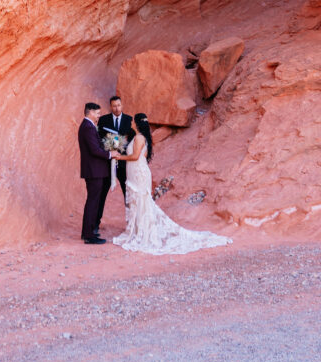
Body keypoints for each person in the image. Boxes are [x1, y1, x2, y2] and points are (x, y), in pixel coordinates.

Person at [112, 113, 232, 254]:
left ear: (136, 123)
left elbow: (135, 156)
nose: (131, 123)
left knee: (141, 200)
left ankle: (143, 233)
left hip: (138, 172)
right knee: (138, 201)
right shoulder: (140, 137)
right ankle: (139, 230)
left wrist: (120, 157)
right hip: (136, 171)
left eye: (133, 121)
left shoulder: (139, 138)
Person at [77, 102, 119, 244]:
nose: (99, 116)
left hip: (93, 170)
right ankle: (89, 236)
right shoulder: (88, 127)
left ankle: (86, 233)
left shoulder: (88, 126)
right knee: (93, 202)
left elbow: (96, 146)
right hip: (94, 171)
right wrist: (110, 154)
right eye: (97, 113)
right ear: (90, 112)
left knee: (92, 201)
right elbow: (94, 150)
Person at [96, 95, 134, 232]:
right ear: (110, 106)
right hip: (107, 164)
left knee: (128, 194)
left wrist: (122, 148)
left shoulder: (128, 119)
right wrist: (109, 147)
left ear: (122, 105)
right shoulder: (104, 120)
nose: (117, 108)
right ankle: (95, 224)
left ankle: (131, 223)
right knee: (101, 194)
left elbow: (131, 138)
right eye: (114, 106)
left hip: (123, 164)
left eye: (119, 105)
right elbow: (99, 138)